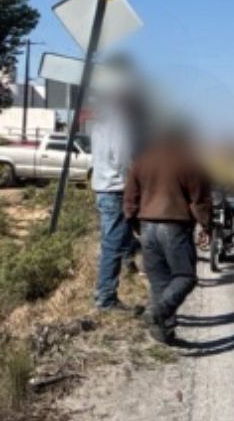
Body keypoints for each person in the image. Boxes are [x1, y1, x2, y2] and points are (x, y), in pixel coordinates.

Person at [124, 129, 211, 345]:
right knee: (185, 276)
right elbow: (200, 199)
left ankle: (166, 334)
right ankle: (158, 312)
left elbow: (130, 196)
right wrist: (207, 226)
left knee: (160, 282)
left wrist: (133, 222)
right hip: (174, 226)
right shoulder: (188, 161)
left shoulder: (142, 160)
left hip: (147, 226)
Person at [91, 96, 139, 312]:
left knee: (110, 243)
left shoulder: (99, 126)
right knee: (113, 246)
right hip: (115, 190)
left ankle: (104, 294)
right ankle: (106, 298)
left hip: (102, 188)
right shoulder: (119, 128)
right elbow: (123, 163)